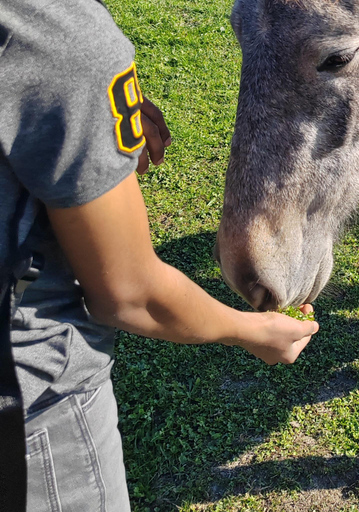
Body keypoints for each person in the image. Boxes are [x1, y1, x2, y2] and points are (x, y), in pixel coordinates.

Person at [0, 0, 319, 509]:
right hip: (32, 414)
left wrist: (84, 148)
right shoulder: (59, 35)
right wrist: (254, 332)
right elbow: (130, 295)